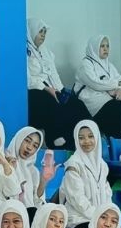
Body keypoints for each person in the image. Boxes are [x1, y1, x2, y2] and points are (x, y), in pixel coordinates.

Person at [26, 19, 81, 147]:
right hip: (35, 90)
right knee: (49, 101)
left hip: (50, 88)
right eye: (40, 31)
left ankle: (79, 137)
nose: (43, 35)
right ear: (31, 31)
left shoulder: (45, 51)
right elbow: (27, 79)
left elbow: (53, 74)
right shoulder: (24, 51)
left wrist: (60, 90)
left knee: (75, 103)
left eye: (44, 32)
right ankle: (54, 139)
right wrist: (46, 88)